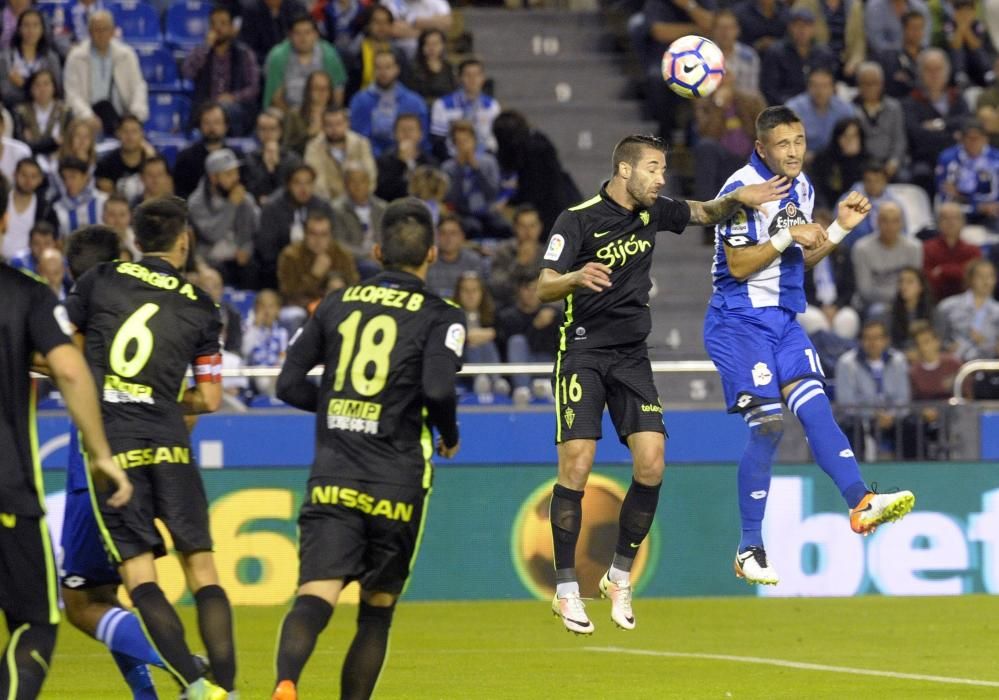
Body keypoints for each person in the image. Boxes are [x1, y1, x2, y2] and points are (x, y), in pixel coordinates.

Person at [538, 132, 787, 632]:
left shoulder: (654, 212)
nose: (662, 177)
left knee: (651, 464)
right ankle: (566, 590)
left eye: (664, 169)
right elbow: (542, 286)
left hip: (631, 356)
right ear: (625, 170)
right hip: (583, 351)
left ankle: (619, 577)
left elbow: (701, 212)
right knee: (579, 464)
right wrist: (574, 278)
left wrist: (740, 199)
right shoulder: (577, 218)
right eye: (654, 168)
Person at [702, 106, 914, 588]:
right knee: (770, 425)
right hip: (739, 322)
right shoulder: (740, 191)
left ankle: (861, 503)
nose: (794, 151)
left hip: (784, 320)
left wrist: (838, 228)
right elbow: (737, 265)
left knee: (817, 408)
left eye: (798, 141)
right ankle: (749, 547)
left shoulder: (802, 187)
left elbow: (803, 253)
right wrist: (784, 236)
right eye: (783, 143)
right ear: (761, 148)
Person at [270, 198, 463, 700]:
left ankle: (286, 683)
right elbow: (440, 390)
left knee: (314, 596)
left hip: (334, 471)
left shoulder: (336, 302)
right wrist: (449, 432)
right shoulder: (442, 316)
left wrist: (340, 403)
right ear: (433, 255)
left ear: (377, 251)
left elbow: (288, 384)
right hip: (397, 479)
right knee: (377, 610)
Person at [65, 196, 235, 700]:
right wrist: (161, 399)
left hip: (110, 447)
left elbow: (71, 362)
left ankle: (196, 684)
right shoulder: (204, 306)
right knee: (203, 570)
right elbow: (209, 397)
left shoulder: (100, 282)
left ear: (136, 241)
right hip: (170, 439)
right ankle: (227, 686)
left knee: (135, 580)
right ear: (184, 240)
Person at [0, 195, 131, 700]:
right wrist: (100, 453)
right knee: (32, 623)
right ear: (8, 218)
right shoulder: (25, 295)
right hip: (8, 494)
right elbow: (72, 369)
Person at [59, 225, 167, 700]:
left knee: (80, 604)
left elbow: (63, 362)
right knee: (110, 598)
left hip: (95, 471)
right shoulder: (147, 314)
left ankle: (180, 663)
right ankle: (149, 694)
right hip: (146, 463)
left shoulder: (82, 325)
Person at [492, 110, 581, 235]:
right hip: (564, 202)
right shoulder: (536, 139)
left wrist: (509, 203)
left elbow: (534, 190)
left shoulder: (533, 152)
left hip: (554, 213)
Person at [834, 319, 913, 460]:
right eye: (867, 338)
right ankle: (856, 475)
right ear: (860, 341)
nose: (872, 342)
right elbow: (846, 402)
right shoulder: (846, 363)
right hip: (861, 418)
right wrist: (874, 414)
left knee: (911, 426)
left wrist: (891, 415)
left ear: (886, 340)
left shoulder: (898, 361)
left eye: (877, 338)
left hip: (892, 418)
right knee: (852, 427)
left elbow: (903, 398)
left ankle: (912, 473)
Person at [182, 4, 261, 138]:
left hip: (235, 109)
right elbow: (188, 73)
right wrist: (206, 47)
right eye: (214, 24)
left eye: (223, 23)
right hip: (205, 107)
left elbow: (253, 87)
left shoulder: (244, 54)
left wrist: (233, 97)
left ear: (232, 28)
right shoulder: (201, 51)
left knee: (229, 110)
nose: (218, 28)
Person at [63, 10, 149, 134]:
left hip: (120, 118)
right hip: (87, 120)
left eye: (105, 29)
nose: (101, 34)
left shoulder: (126, 55)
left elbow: (138, 87)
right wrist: (87, 116)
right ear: (89, 32)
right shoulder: (76, 57)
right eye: (96, 30)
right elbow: (72, 94)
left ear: (113, 31)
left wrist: (134, 117)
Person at [255, 164, 336, 290]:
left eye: (308, 183)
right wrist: (293, 261)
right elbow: (267, 250)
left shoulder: (323, 207)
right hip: (282, 265)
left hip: (319, 260)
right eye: (297, 183)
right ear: (288, 185)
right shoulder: (272, 208)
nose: (303, 189)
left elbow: (332, 241)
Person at [189, 148, 260, 287]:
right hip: (210, 259)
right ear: (213, 178)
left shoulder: (244, 198)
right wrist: (232, 205)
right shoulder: (196, 202)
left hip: (239, 258)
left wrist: (247, 248)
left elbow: (254, 231)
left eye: (236, 172)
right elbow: (212, 235)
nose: (236, 178)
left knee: (255, 267)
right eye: (229, 174)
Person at [903, 48, 970, 195]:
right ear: (920, 73)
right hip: (925, 160)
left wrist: (940, 124)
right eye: (929, 70)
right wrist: (952, 135)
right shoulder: (911, 102)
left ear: (947, 71)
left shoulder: (957, 97)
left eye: (938, 69)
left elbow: (966, 124)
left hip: (959, 159)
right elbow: (918, 137)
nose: (934, 74)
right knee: (920, 174)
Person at [348, 49, 427, 157]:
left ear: (397, 69)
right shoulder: (360, 101)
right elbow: (359, 137)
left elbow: (423, 138)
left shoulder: (414, 102)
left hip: (408, 156)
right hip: (371, 158)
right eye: (379, 68)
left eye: (388, 67)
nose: (383, 72)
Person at [277, 207, 359, 311]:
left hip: (337, 307)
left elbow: (353, 286)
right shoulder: (290, 256)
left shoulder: (342, 255)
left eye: (323, 234)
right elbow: (288, 294)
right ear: (305, 234)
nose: (318, 240)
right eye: (313, 234)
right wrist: (314, 276)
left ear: (331, 236)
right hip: (302, 309)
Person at [497, 273, 559, 406]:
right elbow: (508, 349)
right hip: (520, 367)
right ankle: (523, 390)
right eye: (527, 289)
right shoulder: (508, 316)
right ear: (519, 290)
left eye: (535, 289)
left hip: (547, 362)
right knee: (517, 341)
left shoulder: (552, 313)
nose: (531, 293)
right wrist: (535, 326)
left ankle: (548, 387)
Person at [851, 201, 923, 315]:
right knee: (879, 311)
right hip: (874, 303)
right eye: (885, 220)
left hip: (906, 300)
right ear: (877, 222)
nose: (890, 226)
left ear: (901, 223)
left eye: (895, 221)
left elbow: (915, 284)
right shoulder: (862, 248)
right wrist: (898, 298)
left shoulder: (914, 247)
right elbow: (865, 290)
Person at [262, 14, 347, 112]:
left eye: (308, 33)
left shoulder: (329, 55)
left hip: (323, 113)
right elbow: (275, 96)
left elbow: (338, 90)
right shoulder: (278, 57)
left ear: (316, 35)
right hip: (288, 113)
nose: (303, 38)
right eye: (297, 33)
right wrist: (294, 119)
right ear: (289, 36)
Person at [441, 120, 508, 239]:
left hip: (487, 210)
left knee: (503, 227)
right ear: (454, 145)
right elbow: (451, 198)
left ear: (474, 141)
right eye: (459, 142)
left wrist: (476, 169)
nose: (464, 146)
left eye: (466, 140)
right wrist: (460, 170)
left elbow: (493, 192)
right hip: (462, 213)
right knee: (473, 227)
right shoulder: (448, 168)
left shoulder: (489, 162)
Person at [759, 8, 836, 107]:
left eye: (807, 26)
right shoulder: (775, 53)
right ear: (790, 28)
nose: (802, 30)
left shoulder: (824, 54)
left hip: (819, 105)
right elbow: (769, 90)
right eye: (798, 26)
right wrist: (794, 105)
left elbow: (831, 84)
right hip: (785, 108)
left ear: (813, 29)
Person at [429, 58, 500, 158]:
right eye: (468, 75)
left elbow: (494, 140)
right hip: (453, 157)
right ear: (459, 78)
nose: (473, 79)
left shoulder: (491, 105)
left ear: (483, 78)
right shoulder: (442, 104)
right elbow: (438, 139)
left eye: (477, 75)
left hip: (484, 158)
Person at [935, 118, 999, 228]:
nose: (973, 143)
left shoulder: (996, 159)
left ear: (985, 139)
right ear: (962, 140)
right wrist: (977, 206)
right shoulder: (948, 158)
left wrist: (961, 195)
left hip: (991, 212)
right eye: (969, 139)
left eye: (977, 139)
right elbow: (946, 194)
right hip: (959, 213)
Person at [304, 106, 376, 201]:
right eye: (329, 125)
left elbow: (370, 175)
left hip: (360, 199)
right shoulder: (314, 147)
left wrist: (360, 196)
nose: (334, 129)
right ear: (323, 126)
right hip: (327, 202)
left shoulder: (361, 143)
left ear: (347, 124)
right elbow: (316, 180)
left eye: (338, 124)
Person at [454, 270, 505, 400]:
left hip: (488, 354)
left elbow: (502, 336)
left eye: (475, 290)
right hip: (462, 362)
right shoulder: (451, 315)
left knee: (487, 344)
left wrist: (492, 333)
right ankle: (480, 379)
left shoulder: (493, 313)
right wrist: (468, 338)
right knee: (474, 345)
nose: (470, 295)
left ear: (482, 293)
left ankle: (495, 381)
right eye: (465, 291)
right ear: (458, 293)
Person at [935, 258, 999, 361]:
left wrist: (985, 343)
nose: (986, 281)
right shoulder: (948, 307)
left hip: (989, 369)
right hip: (954, 366)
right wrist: (947, 347)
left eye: (990, 276)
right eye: (981, 276)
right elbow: (936, 339)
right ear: (970, 279)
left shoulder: (997, 311)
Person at [852, 62, 907, 180]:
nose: (870, 88)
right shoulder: (850, 108)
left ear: (882, 84)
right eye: (866, 83)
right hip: (863, 164)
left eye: (874, 83)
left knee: (904, 177)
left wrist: (894, 161)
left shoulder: (894, 107)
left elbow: (899, 139)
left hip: (888, 162)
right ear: (858, 85)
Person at [785, 67, 856, 156]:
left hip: (837, 157)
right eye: (815, 86)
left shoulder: (845, 109)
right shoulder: (794, 108)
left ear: (833, 88)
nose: (819, 91)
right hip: (805, 159)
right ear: (808, 87)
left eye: (824, 86)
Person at [0, 9, 62, 109]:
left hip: (45, 111)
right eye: (26, 25)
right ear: (19, 29)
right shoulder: (5, 57)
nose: (31, 30)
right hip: (13, 110)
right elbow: (6, 93)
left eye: (35, 25)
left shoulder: (51, 58)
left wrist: (24, 84)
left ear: (42, 29)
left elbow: (56, 92)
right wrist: (38, 91)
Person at [331, 163, 386, 277]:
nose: (358, 186)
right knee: (371, 269)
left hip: (381, 258)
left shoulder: (382, 208)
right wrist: (367, 255)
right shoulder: (336, 209)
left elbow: (389, 239)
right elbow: (339, 244)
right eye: (353, 181)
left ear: (369, 183)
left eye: (362, 181)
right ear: (345, 184)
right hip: (354, 261)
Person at [13, 69, 72, 171]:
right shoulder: (20, 112)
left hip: (58, 161)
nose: (42, 89)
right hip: (30, 162)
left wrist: (36, 143)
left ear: (54, 87)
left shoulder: (65, 111)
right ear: (31, 89)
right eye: (37, 85)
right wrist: (53, 142)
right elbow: (23, 145)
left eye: (46, 84)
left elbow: (67, 142)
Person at [489, 204, 545, 308]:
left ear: (540, 227)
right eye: (523, 226)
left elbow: (559, 289)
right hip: (509, 308)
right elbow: (496, 289)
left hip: (541, 309)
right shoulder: (503, 251)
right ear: (514, 228)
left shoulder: (549, 254)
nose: (528, 232)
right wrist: (519, 264)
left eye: (532, 226)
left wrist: (550, 309)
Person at [923, 201, 981, 300]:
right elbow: (928, 280)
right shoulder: (927, 248)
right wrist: (960, 270)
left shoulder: (973, 251)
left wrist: (943, 270)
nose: (951, 222)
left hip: (966, 303)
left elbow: (974, 280)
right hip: (934, 301)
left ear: (963, 222)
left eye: (955, 218)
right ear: (938, 223)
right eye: (945, 218)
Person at [243, 109, 302, 205]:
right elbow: (250, 189)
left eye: (272, 129)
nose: (267, 134)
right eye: (263, 129)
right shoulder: (250, 159)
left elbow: (293, 189)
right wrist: (267, 168)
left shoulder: (293, 159)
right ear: (257, 131)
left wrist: (276, 167)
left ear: (280, 131)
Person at [173, 102, 232, 200]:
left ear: (226, 126)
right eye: (207, 122)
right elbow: (180, 194)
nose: (212, 127)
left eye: (217, 122)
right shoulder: (185, 158)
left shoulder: (236, 158)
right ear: (199, 126)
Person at [375, 112, 436, 202]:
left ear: (420, 134)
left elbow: (433, 193)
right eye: (402, 130)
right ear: (395, 134)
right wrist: (400, 163)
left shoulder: (430, 162)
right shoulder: (383, 162)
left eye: (411, 130)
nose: (407, 134)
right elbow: (381, 194)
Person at [2, 157, 54, 260]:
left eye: (33, 176)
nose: (28, 180)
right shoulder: (2, 198)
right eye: (24, 175)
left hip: (30, 266)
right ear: (14, 175)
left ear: (40, 179)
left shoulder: (45, 208)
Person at [810, 118, 866, 211]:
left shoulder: (868, 162)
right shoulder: (822, 159)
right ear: (837, 138)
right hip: (827, 209)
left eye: (854, 136)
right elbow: (817, 189)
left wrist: (852, 160)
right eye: (845, 136)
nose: (849, 141)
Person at [425, 213, 486, 298]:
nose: (448, 238)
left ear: (462, 237)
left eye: (453, 233)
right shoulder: (427, 262)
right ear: (436, 237)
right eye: (443, 233)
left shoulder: (474, 261)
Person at [241, 288, 289, 397]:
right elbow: (244, 350)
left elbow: (283, 355)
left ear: (278, 310)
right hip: (255, 370)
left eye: (271, 306)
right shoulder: (248, 327)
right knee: (262, 375)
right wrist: (256, 326)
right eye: (263, 306)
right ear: (256, 309)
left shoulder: (282, 332)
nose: (267, 311)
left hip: (275, 371)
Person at [94, 114, 152, 201]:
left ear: (142, 134)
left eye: (134, 131)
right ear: (118, 134)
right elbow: (108, 200)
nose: (130, 136)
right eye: (125, 131)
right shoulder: (105, 165)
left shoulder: (152, 161)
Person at [52, 156, 107, 239]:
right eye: (64, 178)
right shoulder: (57, 208)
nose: (68, 182)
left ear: (85, 177)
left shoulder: (103, 201)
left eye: (73, 177)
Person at [877, 10, 926, 98]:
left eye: (920, 28)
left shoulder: (929, 56)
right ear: (904, 29)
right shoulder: (890, 57)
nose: (917, 32)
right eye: (913, 28)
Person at [711, 9, 760, 94]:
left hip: (741, 103)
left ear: (737, 30)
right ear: (713, 30)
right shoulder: (704, 54)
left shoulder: (749, 56)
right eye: (721, 28)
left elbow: (751, 92)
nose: (725, 33)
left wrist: (730, 87)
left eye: (729, 28)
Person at [889, 266, 936, 350]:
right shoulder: (889, 313)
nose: (903, 286)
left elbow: (939, 341)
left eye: (909, 282)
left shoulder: (934, 313)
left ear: (921, 287)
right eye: (901, 281)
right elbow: (889, 344)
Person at [406, 28, 456, 105]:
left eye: (435, 44)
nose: (432, 48)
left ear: (443, 45)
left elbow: (453, 91)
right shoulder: (413, 68)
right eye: (427, 44)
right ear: (421, 46)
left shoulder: (448, 67)